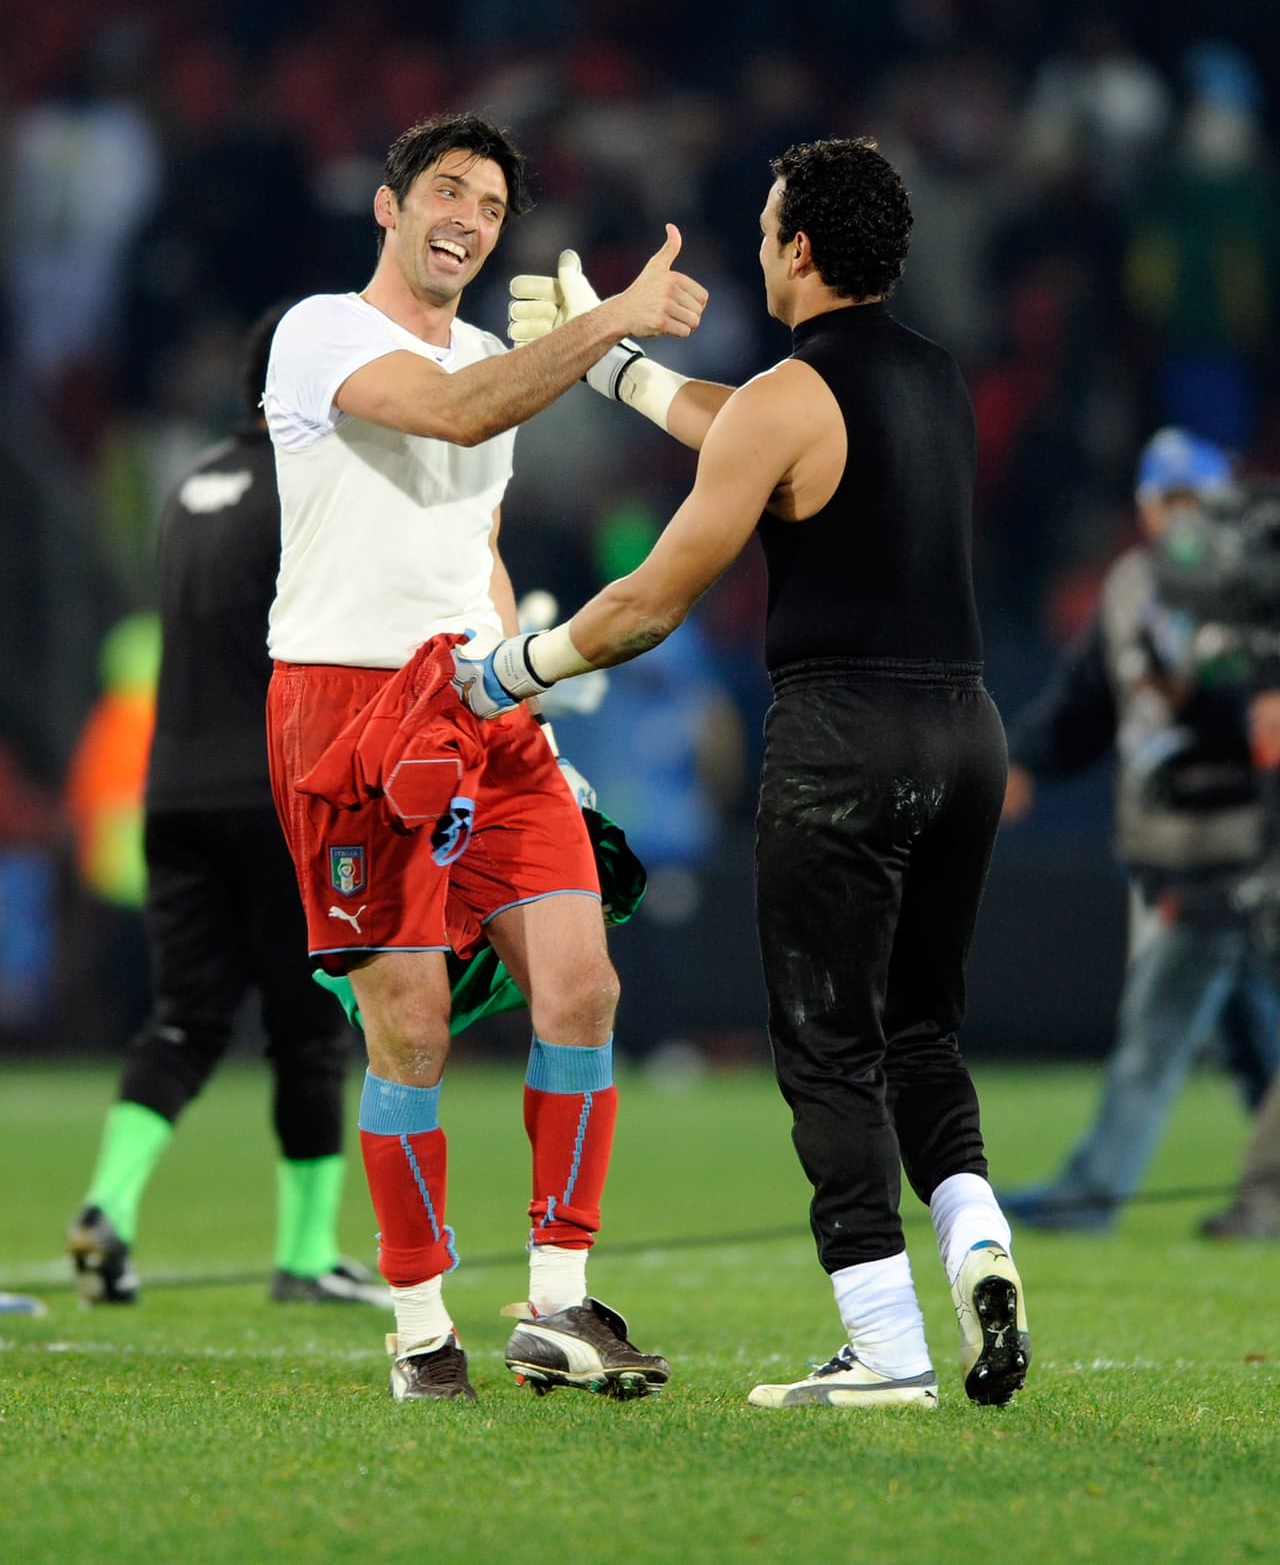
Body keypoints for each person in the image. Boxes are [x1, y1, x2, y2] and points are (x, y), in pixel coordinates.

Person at [456, 136, 1031, 1410]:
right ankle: (978, 1245)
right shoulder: (937, 378)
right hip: (964, 732)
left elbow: (650, 603)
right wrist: (612, 365)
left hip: (844, 741)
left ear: (799, 249)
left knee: (826, 1046)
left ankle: (884, 1345)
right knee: (921, 1034)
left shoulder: (785, 395)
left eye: (769, 228)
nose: (760, 244)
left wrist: (508, 670)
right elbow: (756, 429)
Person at [262, 111, 707, 1403]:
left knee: (582, 985)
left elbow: (479, 543)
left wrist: (531, 701)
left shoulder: (493, 359)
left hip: (483, 702)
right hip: (348, 707)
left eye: (493, 205)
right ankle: (418, 1324)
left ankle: (558, 1303)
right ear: (390, 206)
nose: (467, 218)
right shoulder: (321, 332)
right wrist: (609, 323)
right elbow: (455, 418)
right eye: (446, 191)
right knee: (408, 1026)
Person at [66, 304, 390, 1309]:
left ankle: (107, 1205)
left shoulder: (191, 486)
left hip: (173, 792)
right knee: (308, 1028)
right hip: (277, 794)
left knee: (183, 1020)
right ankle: (306, 1253)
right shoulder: (313, 482)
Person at [1000, 429, 1280, 1233]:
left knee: (1160, 1024)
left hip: (1243, 840)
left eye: (1197, 499)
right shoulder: (1130, 585)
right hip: (1167, 841)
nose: (1183, 517)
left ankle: (1091, 1192)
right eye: (1170, 500)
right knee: (1249, 1037)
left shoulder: (1254, 580)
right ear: (1147, 508)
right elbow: (1086, 699)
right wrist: (1027, 760)